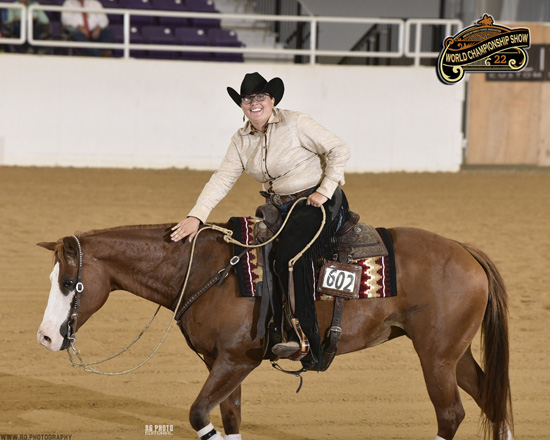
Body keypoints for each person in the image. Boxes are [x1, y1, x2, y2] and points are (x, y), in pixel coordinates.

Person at [170, 72, 350, 369]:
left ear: (272, 100)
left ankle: (305, 338)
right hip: (280, 207)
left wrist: (324, 190)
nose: (254, 104)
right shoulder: (241, 140)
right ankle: (270, 326)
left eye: (260, 98)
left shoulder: (295, 123)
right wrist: (196, 215)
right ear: (241, 105)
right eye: (247, 99)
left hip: (316, 202)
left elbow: (339, 149)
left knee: (290, 256)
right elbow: (223, 178)